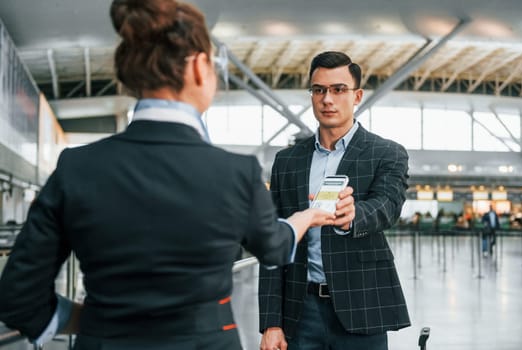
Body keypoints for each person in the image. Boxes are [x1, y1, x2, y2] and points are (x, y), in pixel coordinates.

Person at [0, 1, 338, 349]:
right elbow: (276, 249)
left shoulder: (77, 168)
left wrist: (97, 319)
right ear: (198, 67)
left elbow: (17, 297)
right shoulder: (234, 173)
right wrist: (305, 217)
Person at [259, 51, 411, 350]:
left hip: (362, 305)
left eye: (338, 89)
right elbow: (273, 240)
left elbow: (388, 205)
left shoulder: (387, 153)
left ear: (356, 96)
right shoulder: (287, 161)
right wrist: (271, 322)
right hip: (300, 310)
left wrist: (354, 214)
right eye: (319, 90)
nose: (328, 99)